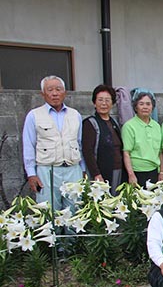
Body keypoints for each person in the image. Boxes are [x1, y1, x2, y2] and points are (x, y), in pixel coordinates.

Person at [23, 75, 84, 210]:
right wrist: (31, 173)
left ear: (65, 93)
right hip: (47, 170)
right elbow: (29, 146)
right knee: (49, 214)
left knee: (75, 213)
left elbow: (79, 144)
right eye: (50, 90)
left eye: (58, 89)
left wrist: (83, 170)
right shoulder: (34, 115)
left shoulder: (75, 115)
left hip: (73, 169)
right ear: (43, 94)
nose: (55, 93)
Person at [82, 84, 123, 195]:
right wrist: (96, 174)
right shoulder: (90, 123)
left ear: (112, 103)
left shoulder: (113, 122)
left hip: (117, 169)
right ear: (94, 103)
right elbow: (88, 151)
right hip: (102, 171)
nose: (104, 103)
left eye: (107, 100)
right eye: (100, 100)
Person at [122, 90, 163, 185]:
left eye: (148, 104)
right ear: (136, 107)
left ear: (152, 107)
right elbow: (126, 152)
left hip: (154, 171)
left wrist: (161, 172)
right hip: (137, 172)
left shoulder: (156, 126)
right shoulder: (129, 126)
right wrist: (131, 174)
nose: (145, 107)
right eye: (141, 104)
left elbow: (160, 152)